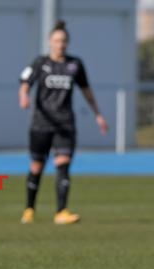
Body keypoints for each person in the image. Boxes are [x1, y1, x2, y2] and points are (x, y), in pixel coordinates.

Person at [18, 20, 108, 225]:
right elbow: (25, 82)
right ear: (50, 41)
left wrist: (98, 114)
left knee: (63, 165)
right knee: (36, 166)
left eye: (64, 41)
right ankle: (29, 210)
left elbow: (86, 91)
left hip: (65, 123)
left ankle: (61, 212)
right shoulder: (40, 63)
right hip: (41, 123)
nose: (61, 44)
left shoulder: (75, 64)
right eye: (57, 40)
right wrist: (23, 96)